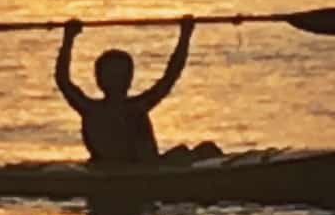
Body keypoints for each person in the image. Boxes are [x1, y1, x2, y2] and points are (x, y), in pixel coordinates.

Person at [55, 15, 221, 164]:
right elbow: (63, 80)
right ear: (100, 80)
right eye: (112, 75)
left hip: (141, 168)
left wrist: (185, 36)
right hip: (142, 171)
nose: (117, 80)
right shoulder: (113, 109)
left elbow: (171, 76)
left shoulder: (95, 108)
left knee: (205, 149)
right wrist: (68, 39)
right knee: (203, 151)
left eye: (120, 75)